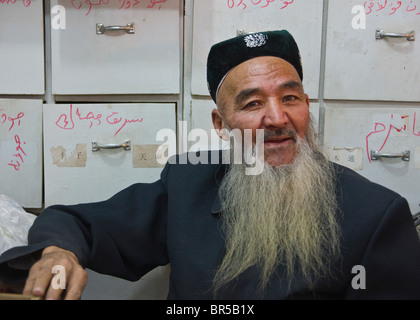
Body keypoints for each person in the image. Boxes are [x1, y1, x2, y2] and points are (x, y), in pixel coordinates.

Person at [1, 30, 420, 300]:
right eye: (253, 103)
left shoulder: (377, 214)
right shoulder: (189, 183)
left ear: (307, 106)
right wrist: (58, 253)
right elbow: (79, 222)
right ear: (221, 124)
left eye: (290, 98)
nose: (277, 118)